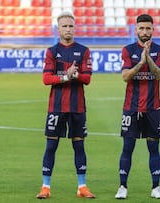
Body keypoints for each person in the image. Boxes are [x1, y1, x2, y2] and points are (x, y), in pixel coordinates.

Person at [36, 11, 95, 199]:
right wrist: (66, 76)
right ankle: (45, 187)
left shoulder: (84, 51)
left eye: (71, 26)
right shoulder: (52, 51)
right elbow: (46, 79)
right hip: (56, 107)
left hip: (77, 107)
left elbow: (87, 78)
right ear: (58, 29)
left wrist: (75, 75)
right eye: (64, 26)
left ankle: (82, 187)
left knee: (79, 146)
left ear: (74, 28)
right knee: (51, 146)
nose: (68, 29)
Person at [114, 14, 160, 200]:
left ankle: (156, 187)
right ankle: (122, 186)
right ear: (136, 30)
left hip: (153, 109)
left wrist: (149, 60)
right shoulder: (128, 50)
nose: (145, 31)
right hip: (131, 108)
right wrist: (140, 63)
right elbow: (125, 76)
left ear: (153, 30)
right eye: (141, 28)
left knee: (154, 148)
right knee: (127, 147)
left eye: (148, 28)